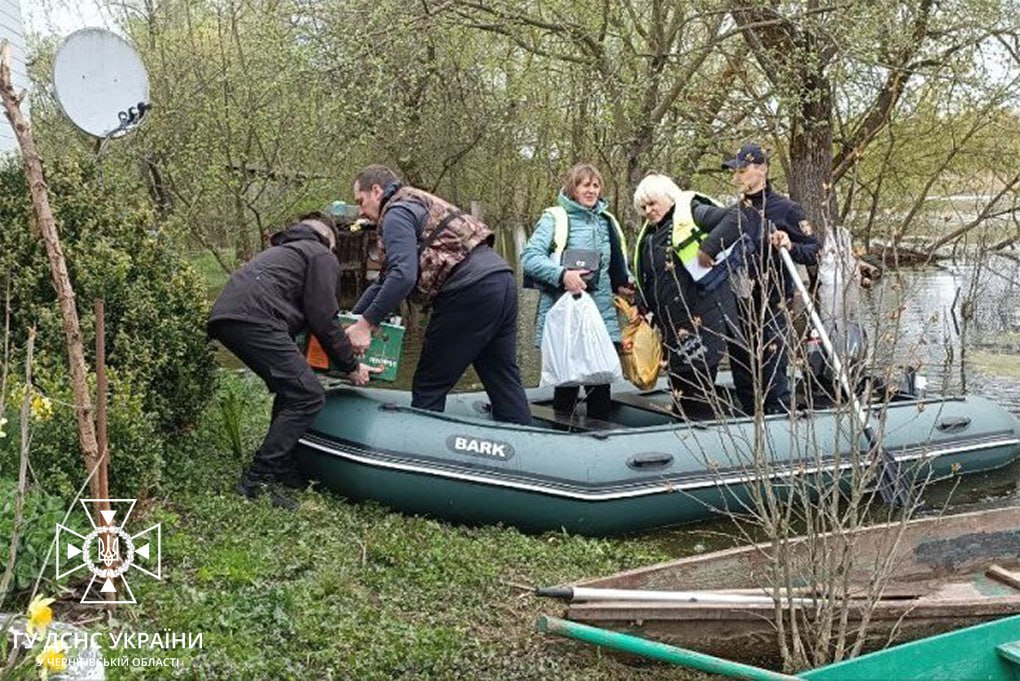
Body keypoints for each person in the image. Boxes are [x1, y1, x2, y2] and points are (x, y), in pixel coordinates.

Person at [208, 212, 377, 510]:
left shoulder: (283, 251)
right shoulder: (320, 253)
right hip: (255, 318)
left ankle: (282, 466)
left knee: (293, 390)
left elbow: (310, 319)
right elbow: (323, 317)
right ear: (329, 239)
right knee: (308, 395)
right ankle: (258, 479)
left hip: (229, 317)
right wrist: (350, 365)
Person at [347, 165, 532, 425]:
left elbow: (403, 277)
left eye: (360, 201)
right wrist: (353, 320)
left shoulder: (395, 214)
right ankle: (522, 446)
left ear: (376, 191)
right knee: (501, 377)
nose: (360, 211)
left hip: (468, 293)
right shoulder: (414, 201)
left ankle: (420, 452)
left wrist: (366, 325)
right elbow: (386, 279)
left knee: (429, 384)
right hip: (501, 281)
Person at [698, 142, 820, 415]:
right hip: (739, 302)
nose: (736, 177)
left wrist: (790, 245)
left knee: (773, 368)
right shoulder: (735, 212)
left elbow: (815, 251)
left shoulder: (787, 209)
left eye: (742, 171)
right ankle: (750, 421)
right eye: (735, 172)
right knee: (742, 369)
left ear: (762, 170)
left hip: (773, 301)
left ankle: (779, 419)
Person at [520, 163, 631, 421]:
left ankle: (601, 442)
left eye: (595, 185)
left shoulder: (607, 222)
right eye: (585, 185)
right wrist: (562, 275)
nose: (591, 190)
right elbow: (530, 257)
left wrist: (628, 284)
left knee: (600, 385)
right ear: (573, 188)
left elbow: (614, 268)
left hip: (601, 315)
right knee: (566, 387)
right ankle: (563, 440)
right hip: (566, 317)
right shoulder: (555, 219)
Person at [631, 174, 739, 417]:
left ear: (668, 198)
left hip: (702, 319)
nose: (648, 211)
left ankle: (708, 437)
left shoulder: (693, 212)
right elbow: (654, 277)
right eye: (644, 207)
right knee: (681, 389)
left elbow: (737, 218)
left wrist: (709, 249)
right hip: (673, 327)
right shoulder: (650, 236)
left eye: (652, 204)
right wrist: (640, 299)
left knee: (696, 390)